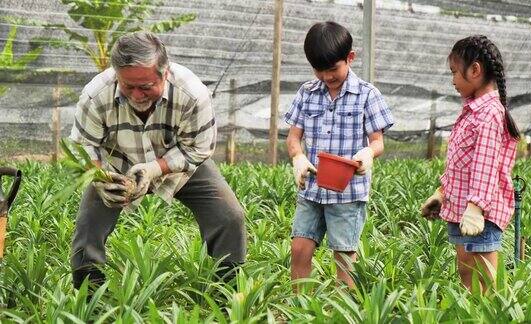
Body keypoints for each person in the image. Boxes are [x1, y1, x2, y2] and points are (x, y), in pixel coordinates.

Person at [69, 31, 246, 290]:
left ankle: (227, 293)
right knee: (88, 229)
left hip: (178, 167)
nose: (137, 95)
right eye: (128, 86)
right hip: (117, 168)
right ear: (117, 74)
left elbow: (199, 148)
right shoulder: (96, 95)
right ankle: (90, 299)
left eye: (146, 87)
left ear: (164, 73)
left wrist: (155, 168)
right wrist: (99, 179)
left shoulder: (193, 94)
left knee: (229, 217)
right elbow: (83, 146)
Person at [284, 21, 394, 289]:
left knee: (344, 257)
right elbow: (293, 137)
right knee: (299, 248)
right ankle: (299, 309)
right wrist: (298, 157)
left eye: (333, 68)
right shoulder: (307, 93)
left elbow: (378, 141)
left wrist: (368, 152)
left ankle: (344, 311)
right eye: (319, 70)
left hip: (348, 192)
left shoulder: (367, 95)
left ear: (350, 58)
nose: (327, 76)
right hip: (311, 189)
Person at [421, 35, 520, 292]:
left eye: (454, 72)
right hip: (461, 211)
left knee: (484, 280)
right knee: (466, 270)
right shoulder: (471, 112)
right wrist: (441, 193)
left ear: (475, 70)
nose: (452, 79)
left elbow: (485, 165)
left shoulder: (489, 114)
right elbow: (459, 163)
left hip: (479, 215)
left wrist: (476, 208)